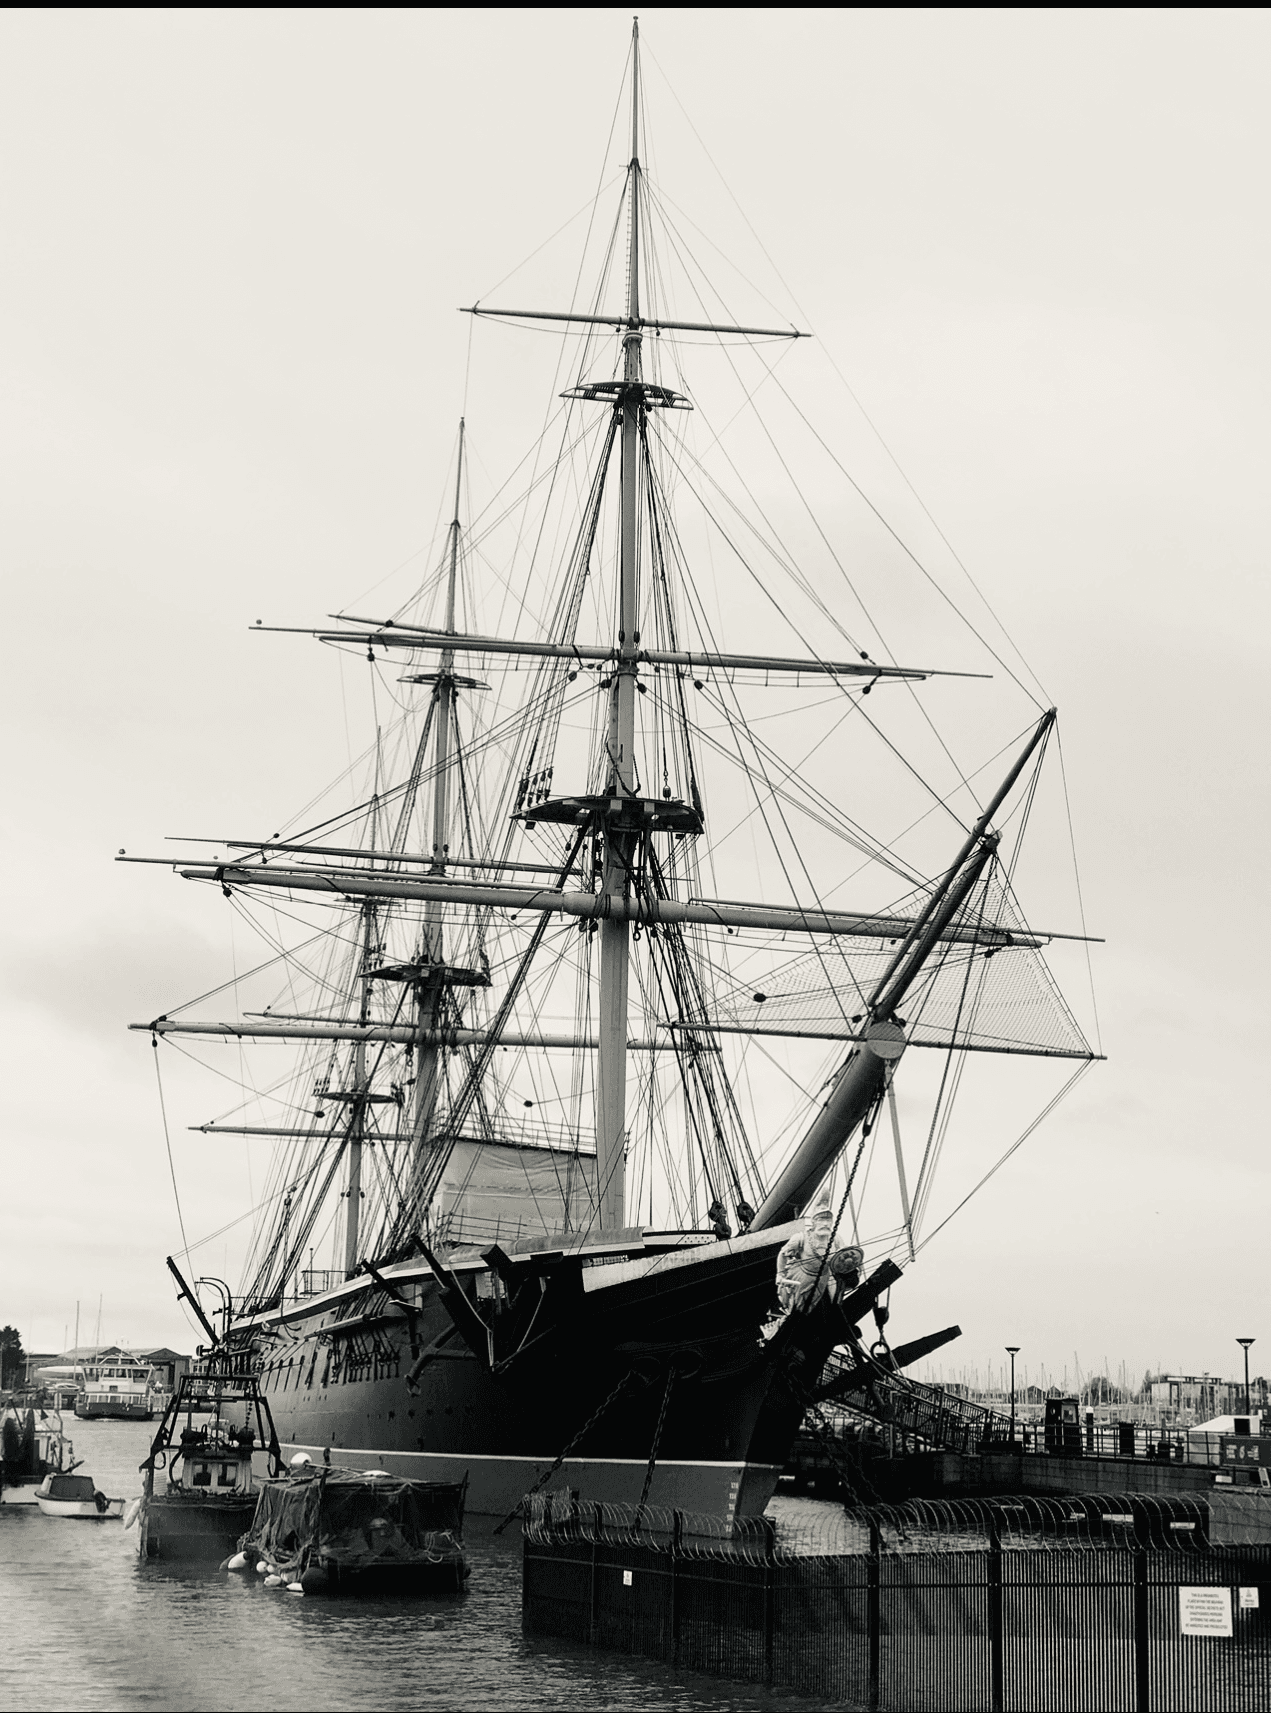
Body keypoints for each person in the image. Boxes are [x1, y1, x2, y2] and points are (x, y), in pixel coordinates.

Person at [776, 1201, 837, 1314]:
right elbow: (783, 1254)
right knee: (800, 1309)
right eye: (821, 1220)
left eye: (828, 1220)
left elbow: (844, 1253)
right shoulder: (801, 1238)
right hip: (802, 1278)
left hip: (825, 1278)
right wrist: (780, 1274)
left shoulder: (835, 1239)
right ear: (813, 1222)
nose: (825, 1223)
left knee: (828, 1306)